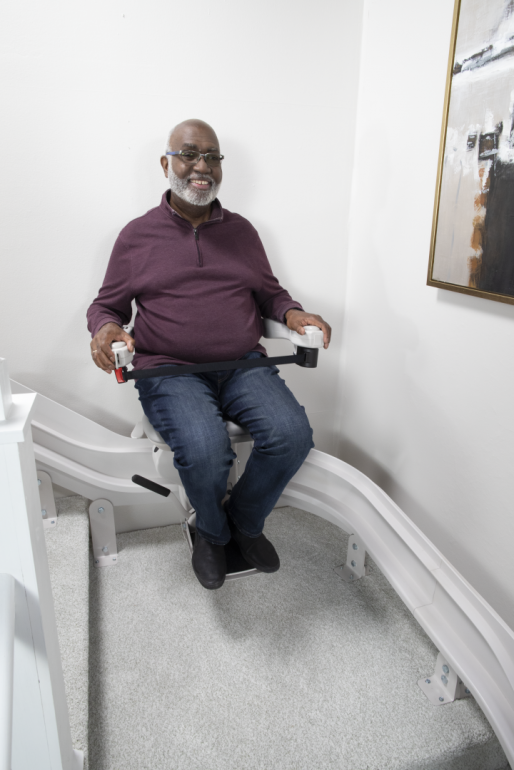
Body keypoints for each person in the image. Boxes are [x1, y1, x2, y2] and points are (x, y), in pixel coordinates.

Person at [87, 119, 331, 590]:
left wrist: (293, 313)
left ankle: (244, 522)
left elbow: (270, 293)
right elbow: (106, 306)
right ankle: (212, 534)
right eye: (189, 154)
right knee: (205, 449)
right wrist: (106, 327)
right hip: (169, 370)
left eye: (213, 157)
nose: (202, 166)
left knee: (292, 435)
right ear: (166, 164)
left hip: (242, 365)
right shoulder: (136, 236)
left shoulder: (243, 232)